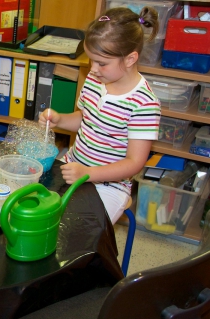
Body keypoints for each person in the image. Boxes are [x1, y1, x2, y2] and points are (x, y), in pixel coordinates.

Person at [39, 7, 161, 224]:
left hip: (109, 185)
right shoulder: (96, 80)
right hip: (73, 166)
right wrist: (60, 120)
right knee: (39, 211)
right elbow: (86, 121)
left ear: (131, 59)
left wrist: (87, 173)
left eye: (101, 63)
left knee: (80, 232)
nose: (93, 69)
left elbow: (134, 162)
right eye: (91, 60)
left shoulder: (144, 103)